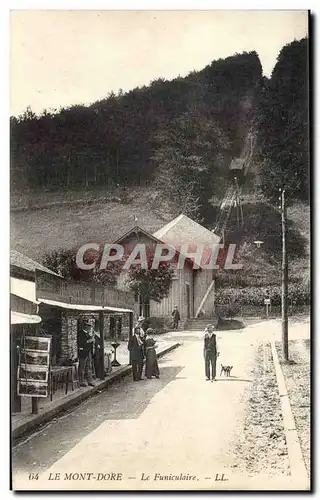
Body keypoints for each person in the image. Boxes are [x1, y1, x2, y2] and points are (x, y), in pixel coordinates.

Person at [78, 319, 95, 387]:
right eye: (89, 328)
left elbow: (90, 343)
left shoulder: (88, 334)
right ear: (86, 327)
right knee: (82, 367)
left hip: (88, 352)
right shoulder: (80, 333)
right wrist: (90, 340)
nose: (90, 329)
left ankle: (89, 381)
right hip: (83, 353)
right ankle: (81, 382)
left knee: (89, 367)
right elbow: (81, 343)